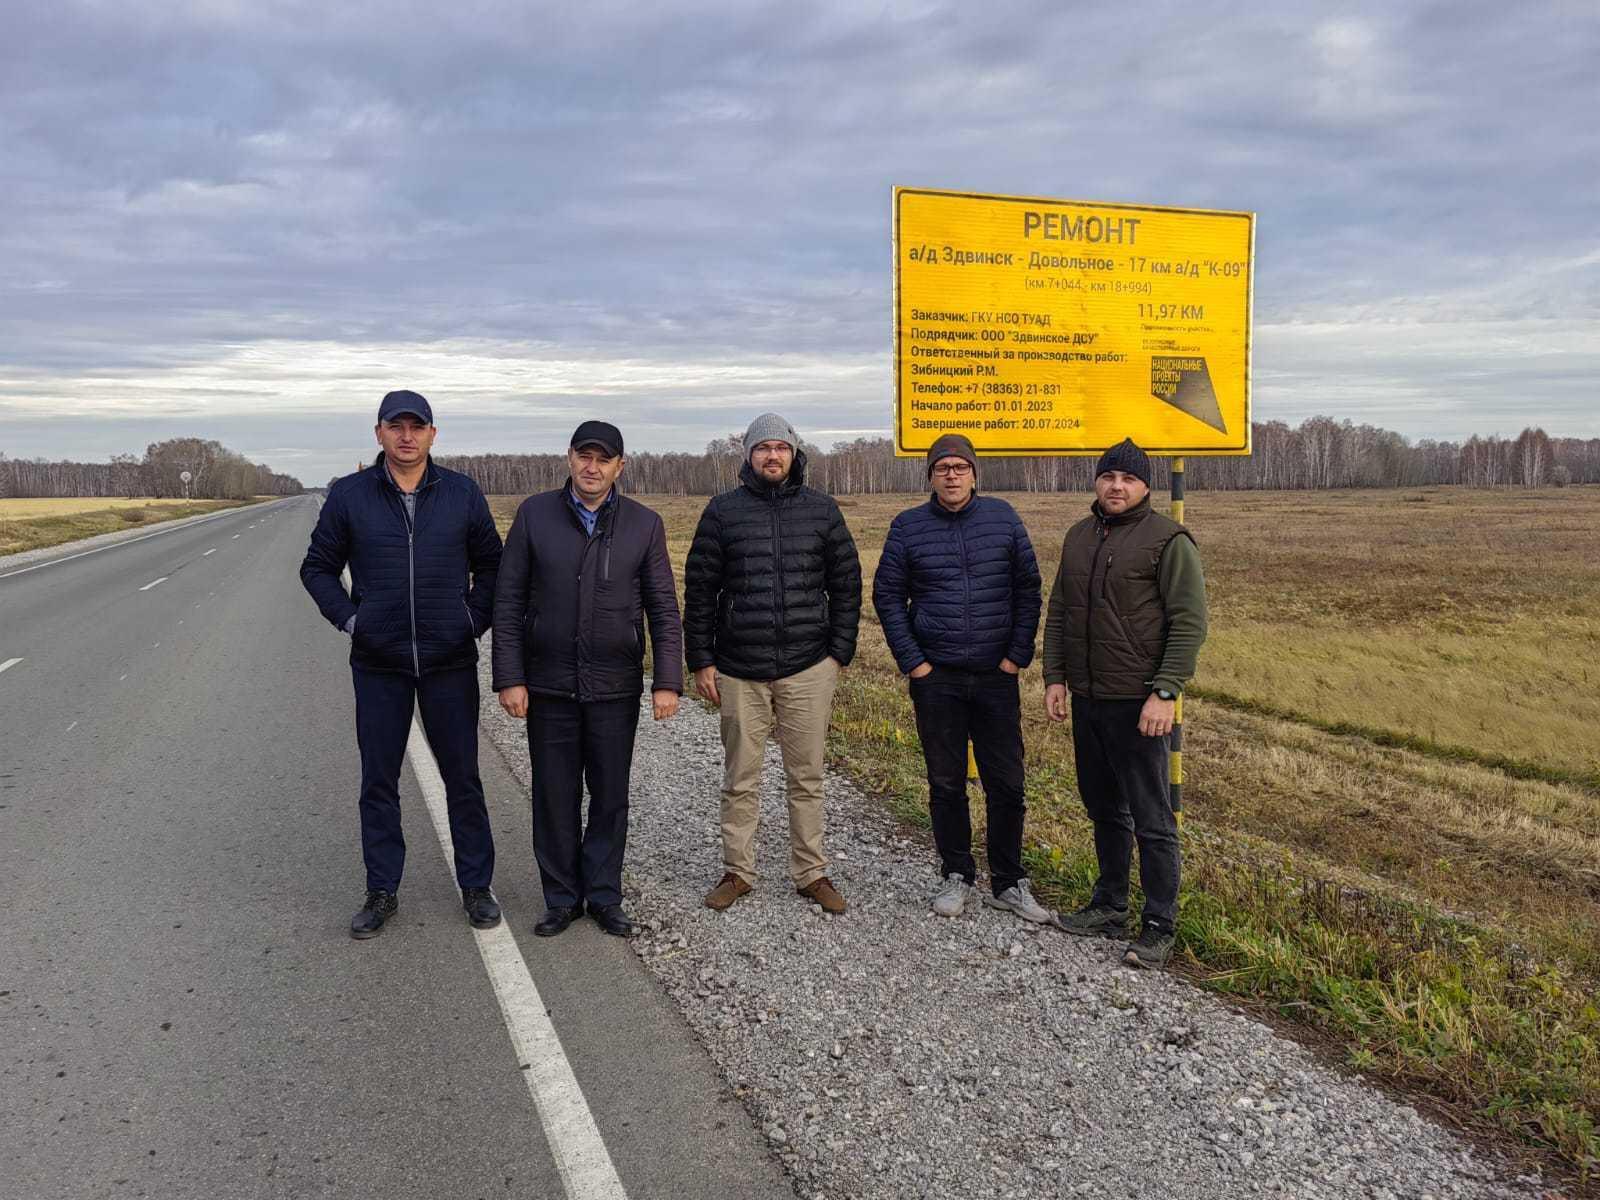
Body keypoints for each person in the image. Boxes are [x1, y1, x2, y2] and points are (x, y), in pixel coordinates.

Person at [300, 389, 505, 939]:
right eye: (397, 426)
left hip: (450, 661)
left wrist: (471, 621)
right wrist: (352, 621)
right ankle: (382, 889)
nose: (407, 436)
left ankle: (477, 886)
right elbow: (317, 568)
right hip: (378, 663)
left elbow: (493, 566)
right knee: (379, 780)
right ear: (380, 433)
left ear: (433, 434)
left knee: (462, 777)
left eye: (418, 427)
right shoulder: (350, 496)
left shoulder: (461, 493)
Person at [491, 420, 683, 938]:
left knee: (609, 795)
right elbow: (507, 602)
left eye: (603, 459)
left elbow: (663, 607)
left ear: (620, 465)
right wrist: (509, 676)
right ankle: (560, 898)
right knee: (554, 795)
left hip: (614, 686)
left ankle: (602, 895)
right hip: (548, 684)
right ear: (569, 458)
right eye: (584, 456)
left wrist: (667, 680)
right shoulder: (534, 515)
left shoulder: (644, 524)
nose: (592, 467)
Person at [684, 413, 862, 916]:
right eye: (762, 448)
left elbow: (847, 583)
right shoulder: (722, 512)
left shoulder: (822, 511)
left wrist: (838, 653)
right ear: (748, 456)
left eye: (780, 448)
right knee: (741, 776)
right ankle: (738, 871)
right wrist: (701, 659)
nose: (772, 456)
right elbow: (699, 590)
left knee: (807, 776)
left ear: (794, 454)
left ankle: (811, 872)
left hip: (808, 666)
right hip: (739, 667)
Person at [1043, 437, 1208, 969]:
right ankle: (1109, 904)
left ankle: (1159, 923)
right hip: (1088, 698)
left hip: (1139, 703)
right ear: (1096, 482)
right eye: (1109, 477)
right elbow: (1061, 612)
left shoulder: (1168, 541)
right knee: (1102, 808)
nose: (1117, 487)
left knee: (1152, 818)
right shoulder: (1078, 536)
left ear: (1145, 486)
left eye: (1128, 479)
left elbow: (1189, 623)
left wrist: (1165, 691)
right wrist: (1055, 677)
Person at [872, 433, 1046, 923]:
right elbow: (887, 596)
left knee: (1007, 783)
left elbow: (1027, 589)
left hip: (995, 676)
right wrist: (915, 663)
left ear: (974, 474)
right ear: (930, 475)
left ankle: (1009, 882)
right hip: (938, 678)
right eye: (942, 467)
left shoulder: (1003, 518)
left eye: (960, 466)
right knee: (946, 782)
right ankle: (957, 874)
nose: (952, 474)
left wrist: (1015, 655)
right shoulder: (908, 527)